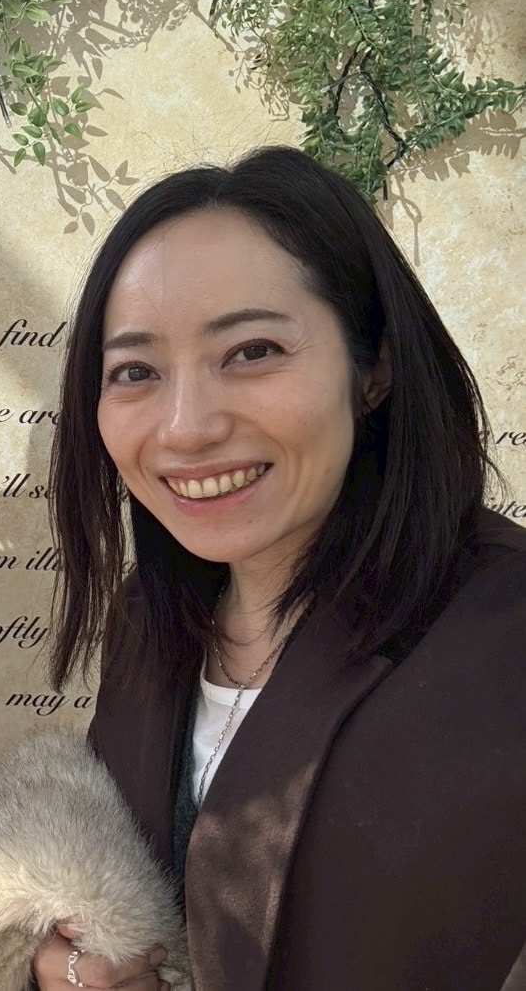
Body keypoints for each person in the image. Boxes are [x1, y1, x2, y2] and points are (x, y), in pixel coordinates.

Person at [33, 146, 526, 990]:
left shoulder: (502, 635)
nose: (186, 428)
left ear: (373, 369)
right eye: (136, 372)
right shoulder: (147, 620)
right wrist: (68, 968)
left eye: (252, 351)